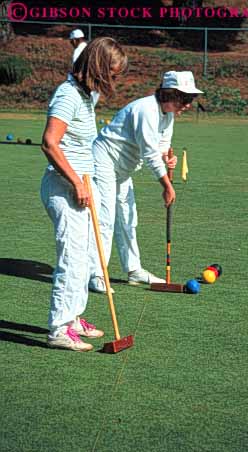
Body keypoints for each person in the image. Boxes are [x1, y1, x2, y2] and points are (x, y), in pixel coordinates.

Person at [40, 37, 128, 352]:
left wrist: (84, 182)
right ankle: (59, 330)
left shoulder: (84, 95)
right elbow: (49, 143)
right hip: (64, 187)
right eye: (113, 74)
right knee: (72, 258)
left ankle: (74, 318)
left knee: (85, 255)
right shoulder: (67, 95)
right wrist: (78, 183)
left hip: (81, 185)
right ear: (99, 68)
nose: (115, 81)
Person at [92, 71, 203, 286]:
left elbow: (160, 147)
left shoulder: (168, 115)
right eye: (186, 99)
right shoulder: (145, 110)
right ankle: (96, 274)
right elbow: (149, 153)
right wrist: (166, 185)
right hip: (104, 161)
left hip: (123, 169)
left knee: (128, 217)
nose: (188, 104)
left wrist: (167, 158)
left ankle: (133, 270)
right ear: (170, 94)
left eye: (191, 99)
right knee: (106, 218)